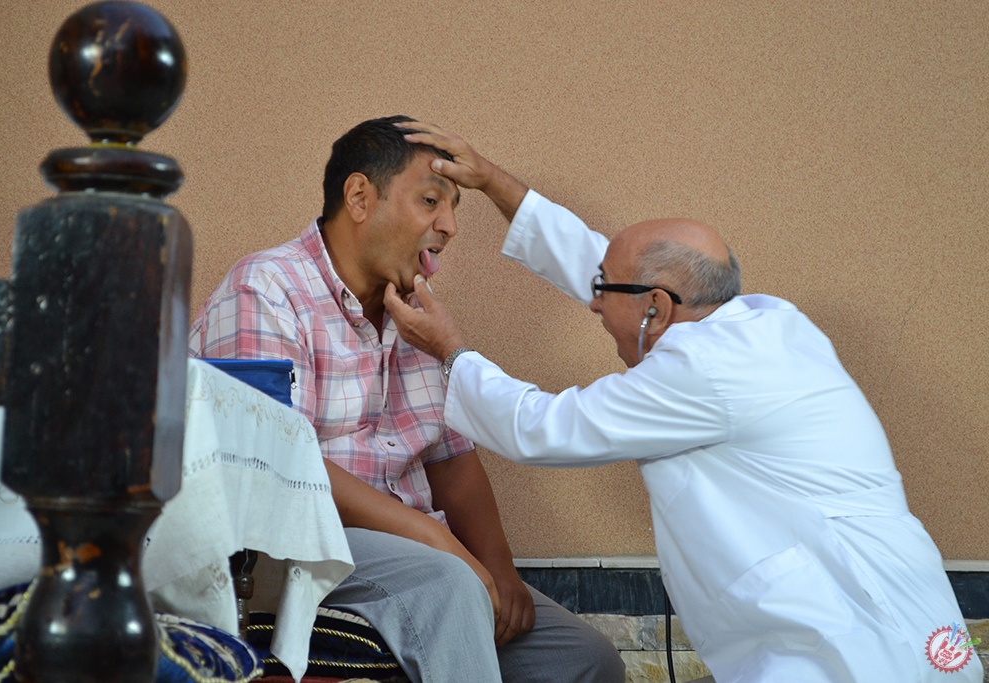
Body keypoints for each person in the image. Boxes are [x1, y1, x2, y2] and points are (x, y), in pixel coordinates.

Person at [382, 122, 983, 683]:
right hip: (884, 610)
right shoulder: (763, 323)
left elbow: (541, 429)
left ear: (657, 309)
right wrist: (492, 181)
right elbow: (612, 270)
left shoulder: (704, 370)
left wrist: (450, 351)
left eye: (603, 293)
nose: (593, 303)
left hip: (851, 637)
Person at [188, 115, 625, 683]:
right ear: (360, 197)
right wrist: (439, 541)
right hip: (297, 545)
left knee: (583, 659)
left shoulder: (416, 310)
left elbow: (452, 458)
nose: (449, 226)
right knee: (450, 584)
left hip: (417, 552)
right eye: (430, 201)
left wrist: (500, 569)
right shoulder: (265, 289)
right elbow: (277, 463)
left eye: (454, 208)